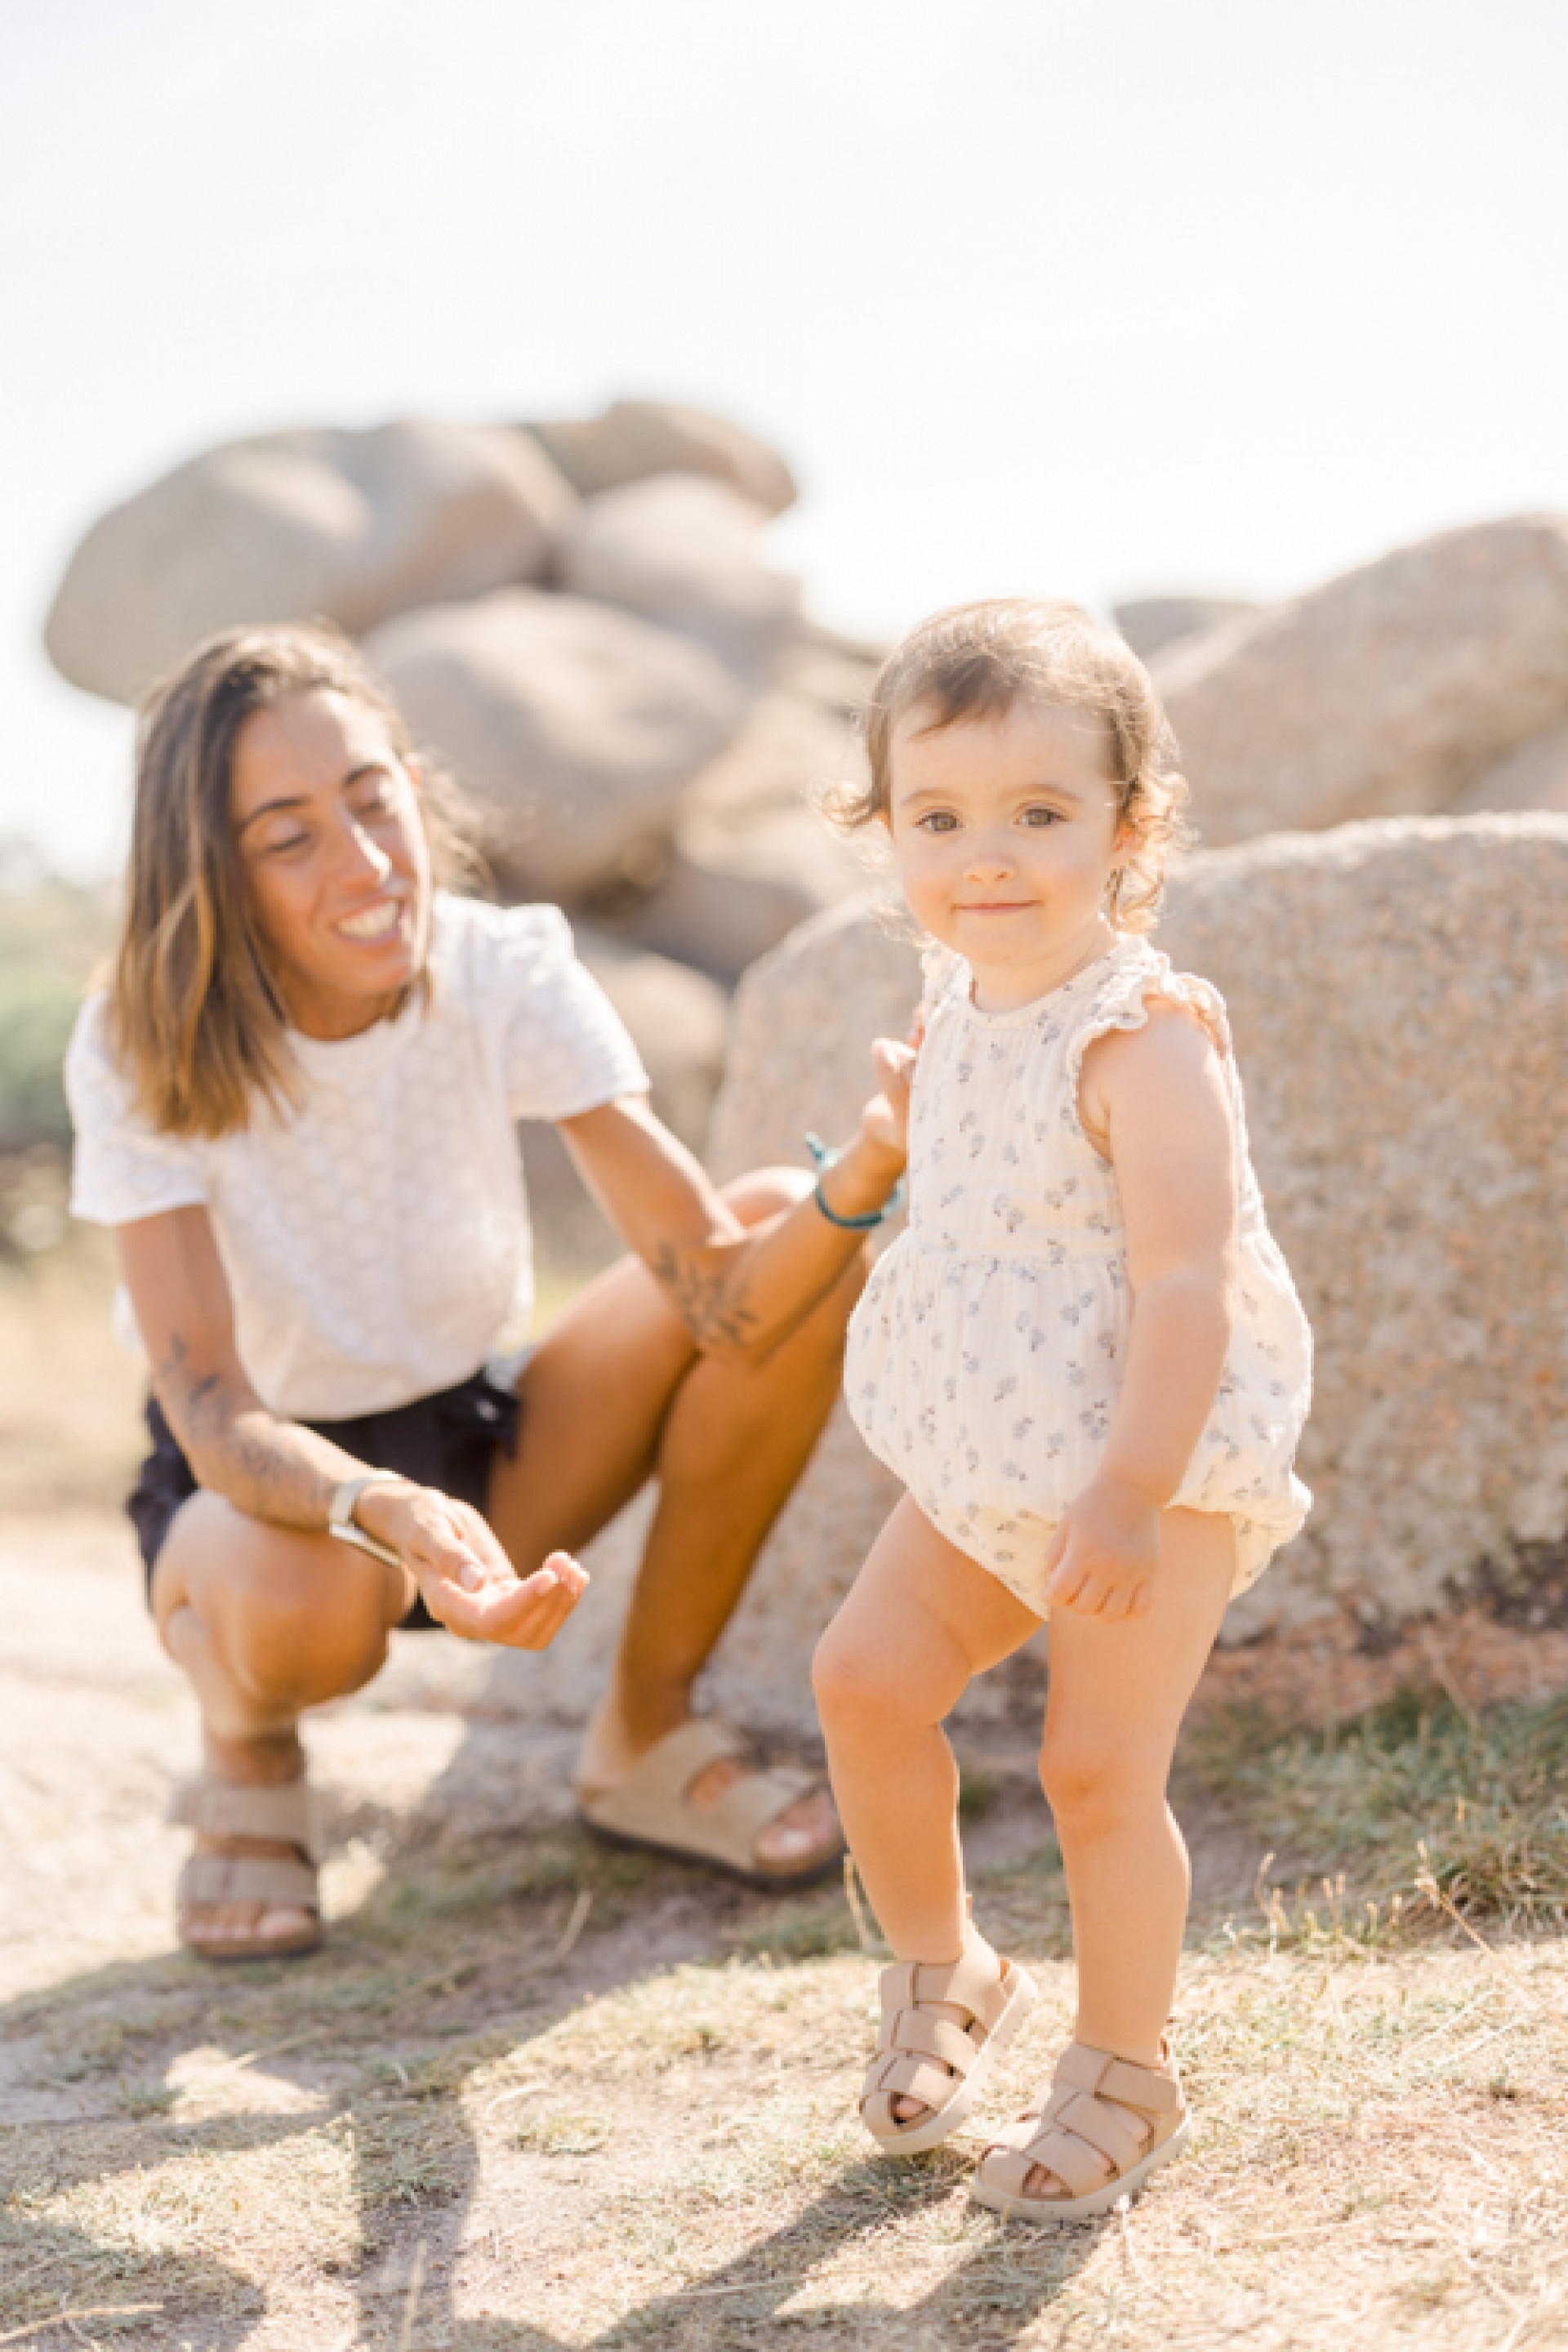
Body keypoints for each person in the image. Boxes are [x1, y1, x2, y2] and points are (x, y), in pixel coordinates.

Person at [65, 623, 911, 1962]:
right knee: (309, 1603)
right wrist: (378, 1511)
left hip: (480, 1442)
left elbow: (726, 1298)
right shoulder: (140, 1037)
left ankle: (644, 1728)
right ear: (214, 873)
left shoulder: (505, 967)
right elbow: (213, 1407)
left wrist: (870, 1165)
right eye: (288, 838)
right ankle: (249, 1741)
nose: (363, 864)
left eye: (371, 798)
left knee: (778, 1233)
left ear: (413, 782)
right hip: (259, 1496)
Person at [810, 599, 1312, 2221]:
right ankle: (944, 1960)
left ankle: (1127, 2066)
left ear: (1130, 824)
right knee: (865, 1678)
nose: (990, 856)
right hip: (987, 1450)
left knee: (1099, 1770)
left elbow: (1183, 1285)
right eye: (940, 817)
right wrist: (903, 1119)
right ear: (882, 827)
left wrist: (1123, 1490)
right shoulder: (957, 996)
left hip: (1139, 1461)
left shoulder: (1143, 1035)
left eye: (1041, 813)